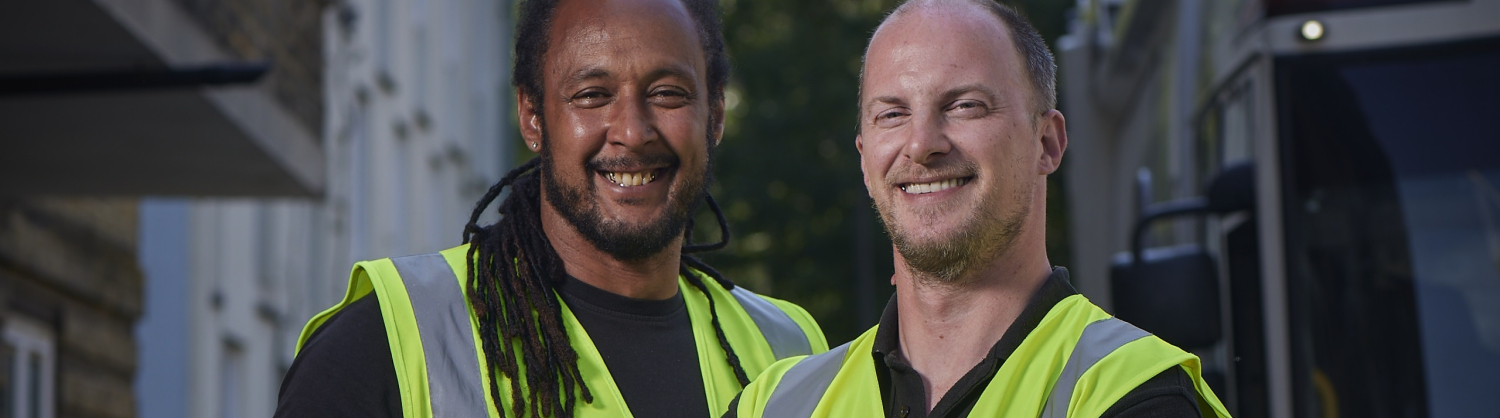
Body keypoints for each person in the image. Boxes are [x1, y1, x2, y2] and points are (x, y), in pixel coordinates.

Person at [273, 0, 828, 417]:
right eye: (592, 95)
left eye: (668, 93)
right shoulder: (385, 344)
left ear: (716, 116)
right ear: (533, 116)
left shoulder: (792, 348)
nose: (632, 132)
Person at [726, 1, 1231, 417]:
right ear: (865, 158)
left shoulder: (1133, 395)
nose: (922, 144)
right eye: (892, 114)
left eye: (965, 105)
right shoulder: (774, 404)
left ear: (1047, 143)